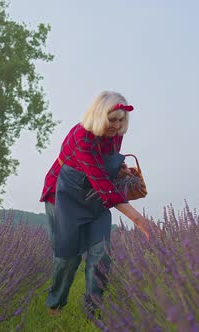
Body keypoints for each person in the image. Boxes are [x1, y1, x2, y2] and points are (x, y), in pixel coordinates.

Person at [39, 91, 152, 317]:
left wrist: (119, 169)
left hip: (97, 197)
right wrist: (139, 220)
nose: (117, 126)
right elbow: (101, 182)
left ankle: (93, 312)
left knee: (102, 253)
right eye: (112, 120)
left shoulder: (116, 134)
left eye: (122, 120)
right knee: (67, 257)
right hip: (65, 196)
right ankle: (55, 306)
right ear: (99, 116)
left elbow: (104, 164)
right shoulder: (82, 136)